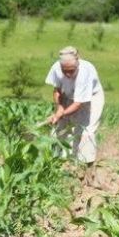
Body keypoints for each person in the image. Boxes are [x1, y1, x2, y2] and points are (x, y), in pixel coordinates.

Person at [44, 46, 105, 183]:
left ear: (78, 62)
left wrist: (61, 114)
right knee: (59, 130)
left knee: (85, 132)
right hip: (68, 97)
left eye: (71, 71)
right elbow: (57, 90)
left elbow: (79, 103)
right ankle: (58, 167)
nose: (68, 75)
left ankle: (88, 173)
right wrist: (59, 107)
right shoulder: (56, 68)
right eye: (65, 71)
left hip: (90, 100)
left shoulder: (86, 72)